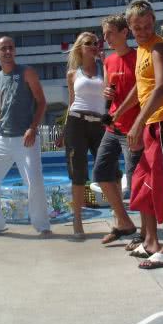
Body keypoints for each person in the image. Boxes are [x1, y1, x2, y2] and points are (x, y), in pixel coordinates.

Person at [124, 0, 163, 269]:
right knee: (141, 183)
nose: (142, 31)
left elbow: (161, 87)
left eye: (147, 25)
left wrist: (138, 122)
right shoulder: (141, 49)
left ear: (153, 22)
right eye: (137, 27)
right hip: (152, 125)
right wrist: (119, 113)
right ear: (129, 27)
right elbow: (141, 87)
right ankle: (150, 241)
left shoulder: (159, 47)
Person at [0, 36, 51, 238]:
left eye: (11, 47)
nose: (8, 51)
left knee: (34, 181)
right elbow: (2, 109)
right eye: (3, 48)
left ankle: (42, 226)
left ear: (15, 50)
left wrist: (33, 128)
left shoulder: (27, 72)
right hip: (3, 138)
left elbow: (42, 102)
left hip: (26, 137)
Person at [92, 14, 142, 245]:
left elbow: (141, 92)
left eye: (110, 33)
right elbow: (108, 88)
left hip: (134, 128)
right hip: (113, 128)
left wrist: (118, 112)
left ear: (124, 32)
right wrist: (107, 93)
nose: (107, 38)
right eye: (104, 35)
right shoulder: (109, 61)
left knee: (135, 184)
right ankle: (124, 223)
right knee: (101, 173)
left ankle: (147, 234)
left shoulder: (139, 57)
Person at [64, 32, 116, 240]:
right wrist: (64, 130)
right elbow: (71, 102)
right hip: (76, 122)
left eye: (96, 42)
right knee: (78, 174)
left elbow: (112, 93)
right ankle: (77, 220)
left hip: (100, 124)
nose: (94, 45)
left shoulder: (106, 68)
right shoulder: (72, 74)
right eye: (89, 43)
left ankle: (118, 216)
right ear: (80, 48)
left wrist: (105, 63)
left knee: (109, 170)